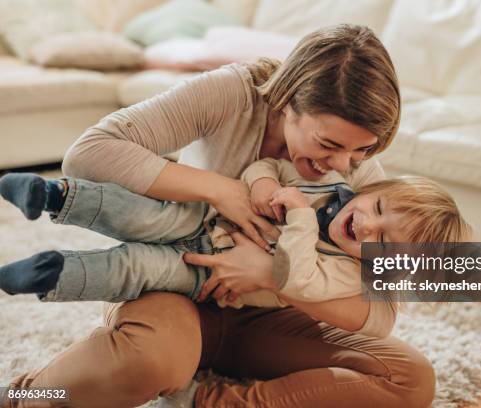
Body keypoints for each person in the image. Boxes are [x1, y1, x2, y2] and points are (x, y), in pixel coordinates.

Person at [4, 24, 438, 408]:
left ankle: (210, 402)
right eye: (328, 144)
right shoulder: (233, 93)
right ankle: (25, 394)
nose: (344, 165)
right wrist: (221, 190)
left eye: (362, 150)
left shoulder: (358, 176)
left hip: (266, 316)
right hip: (173, 283)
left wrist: (272, 275)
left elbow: (382, 313)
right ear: (287, 100)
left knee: (410, 378)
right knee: (151, 362)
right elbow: (88, 155)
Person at [0, 163, 469, 313]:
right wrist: (264, 184)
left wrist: (302, 221)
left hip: (208, 276)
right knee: (144, 217)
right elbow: (265, 165)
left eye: (383, 244)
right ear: (372, 190)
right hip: (201, 219)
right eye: (379, 208)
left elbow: (298, 278)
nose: (367, 226)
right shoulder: (327, 183)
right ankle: (52, 194)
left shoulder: (347, 274)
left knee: (136, 268)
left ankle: (50, 274)